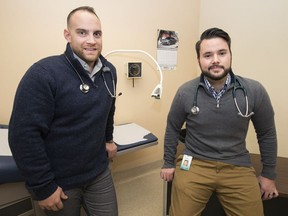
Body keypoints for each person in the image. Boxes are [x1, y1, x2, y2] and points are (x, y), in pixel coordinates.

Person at [9, 6, 119, 216]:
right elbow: (23, 135)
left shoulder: (109, 72)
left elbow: (109, 109)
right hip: (60, 181)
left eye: (97, 33)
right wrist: (43, 187)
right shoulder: (44, 74)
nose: (91, 40)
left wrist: (108, 138)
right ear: (67, 35)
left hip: (98, 172)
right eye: (82, 33)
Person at [160, 27, 278, 216]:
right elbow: (173, 128)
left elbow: (267, 133)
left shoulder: (254, 91)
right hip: (194, 163)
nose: (215, 60)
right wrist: (167, 162)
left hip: (237, 165)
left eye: (221, 53)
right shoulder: (186, 92)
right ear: (199, 60)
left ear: (230, 55)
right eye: (207, 55)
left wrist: (268, 174)